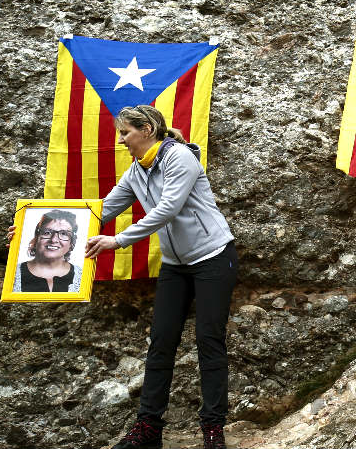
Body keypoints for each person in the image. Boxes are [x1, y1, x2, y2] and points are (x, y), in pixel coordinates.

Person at [84, 105, 237, 449]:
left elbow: (168, 207)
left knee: (209, 342)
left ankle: (213, 429)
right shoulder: (137, 169)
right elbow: (102, 211)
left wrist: (118, 240)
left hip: (213, 258)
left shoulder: (179, 158)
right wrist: (37, 229)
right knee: (161, 343)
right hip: (175, 265)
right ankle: (149, 428)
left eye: (125, 133)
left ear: (148, 129)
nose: (121, 141)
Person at [13, 209, 83, 293]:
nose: (54, 240)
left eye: (64, 234)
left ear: (71, 241)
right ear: (37, 237)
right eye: (47, 232)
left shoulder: (82, 276)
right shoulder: (14, 272)